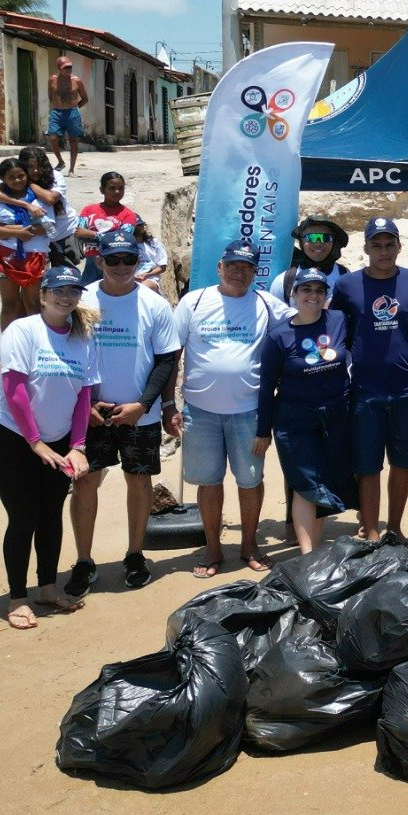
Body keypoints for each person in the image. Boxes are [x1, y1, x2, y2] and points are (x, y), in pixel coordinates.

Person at [165, 242, 294, 577]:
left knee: (250, 481)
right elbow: (172, 354)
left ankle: (250, 545)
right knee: (208, 482)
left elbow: (309, 317)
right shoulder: (193, 302)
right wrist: (167, 404)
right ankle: (212, 548)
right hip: (199, 411)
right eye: (234, 266)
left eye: (248, 267)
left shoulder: (266, 303)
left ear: (255, 272)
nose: (240, 273)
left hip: (250, 412)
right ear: (220, 267)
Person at [0, 265, 97, 628]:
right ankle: (17, 598)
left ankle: (47, 587)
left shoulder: (82, 336)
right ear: (42, 294)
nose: (65, 297)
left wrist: (77, 445)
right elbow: (14, 389)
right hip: (10, 436)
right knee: (24, 516)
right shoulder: (23, 330)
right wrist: (35, 442)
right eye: (58, 291)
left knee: (51, 514)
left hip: (59, 440)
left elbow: (84, 395)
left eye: (72, 291)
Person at [65, 230, 182, 595]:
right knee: (84, 482)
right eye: (112, 260)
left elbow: (166, 359)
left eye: (128, 260)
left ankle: (135, 553)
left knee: (139, 480)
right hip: (93, 413)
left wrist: (147, 405)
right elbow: (64, 353)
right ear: (98, 260)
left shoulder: (154, 304)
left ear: (138, 262)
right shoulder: (82, 300)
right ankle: (84, 560)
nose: (120, 267)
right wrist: (84, 405)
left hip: (138, 412)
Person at [331, 217, 408, 541]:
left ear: (399, 246)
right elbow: (333, 330)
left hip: (405, 391)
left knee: (402, 464)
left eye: (389, 244)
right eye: (377, 245)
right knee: (367, 467)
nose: (383, 251)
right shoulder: (346, 286)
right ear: (366, 247)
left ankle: (394, 530)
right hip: (365, 390)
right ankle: (370, 533)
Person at [255, 268, 355, 554]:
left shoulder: (338, 320)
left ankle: (317, 545)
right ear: (294, 295)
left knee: (326, 479)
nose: (313, 296)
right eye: (306, 290)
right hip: (294, 418)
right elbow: (266, 387)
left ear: (327, 295)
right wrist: (263, 431)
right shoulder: (278, 336)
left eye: (319, 291)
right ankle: (307, 554)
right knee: (305, 483)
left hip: (335, 415)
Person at [0, 156, 49, 333]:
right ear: (3, 179)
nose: (17, 180)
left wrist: (4, 228)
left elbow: (47, 227)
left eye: (21, 175)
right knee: (10, 304)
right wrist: (17, 232)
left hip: (34, 255)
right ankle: (7, 348)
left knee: (33, 304)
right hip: (4, 255)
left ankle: (34, 347)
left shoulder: (38, 197)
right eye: (11, 177)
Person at [0, 146, 79, 269]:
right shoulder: (19, 178)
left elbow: (50, 199)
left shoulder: (55, 176)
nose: (35, 171)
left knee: (65, 277)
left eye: (39, 166)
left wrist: (30, 183)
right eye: (30, 167)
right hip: (38, 239)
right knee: (43, 280)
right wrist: (25, 204)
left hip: (63, 232)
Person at [76, 172, 139, 283]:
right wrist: (111, 236)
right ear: (102, 190)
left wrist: (92, 234)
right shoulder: (89, 210)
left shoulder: (128, 215)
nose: (117, 192)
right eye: (112, 188)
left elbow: (122, 240)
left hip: (114, 262)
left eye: (121, 188)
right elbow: (79, 233)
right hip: (92, 261)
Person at [273, 216, 349, 305]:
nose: (318, 243)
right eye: (311, 237)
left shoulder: (345, 276)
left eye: (326, 238)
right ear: (301, 241)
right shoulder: (284, 281)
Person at [46, 56, 88, 174]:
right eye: (66, 67)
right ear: (59, 68)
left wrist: (75, 107)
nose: (69, 69)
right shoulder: (52, 80)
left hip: (72, 112)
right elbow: (50, 96)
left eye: (70, 67)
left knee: (73, 140)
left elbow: (85, 98)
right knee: (53, 137)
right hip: (57, 112)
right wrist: (57, 106)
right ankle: (60, 161)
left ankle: (72, 169)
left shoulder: (77, 80)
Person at [133, 220, 169, 292]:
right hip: (131, 277)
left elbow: (162, 267)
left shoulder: (154, 243)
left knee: (141, 289)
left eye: (141, 225)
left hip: (150, 278)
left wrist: (146, 274)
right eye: (136, 226)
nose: (139, 228)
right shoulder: (128, 245)